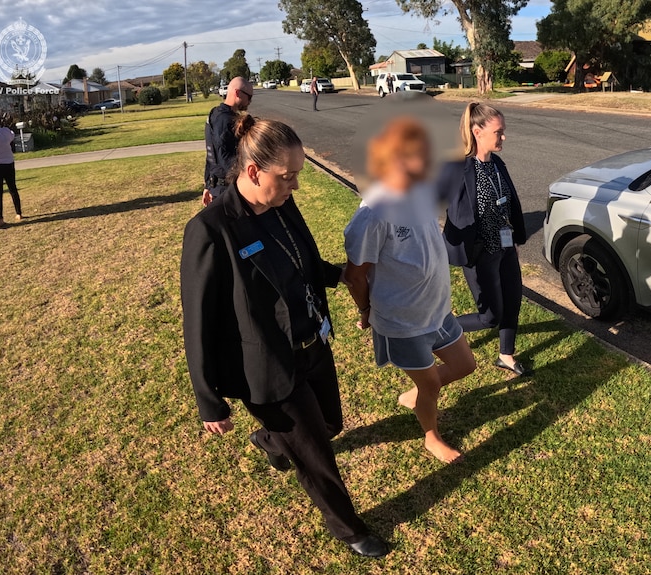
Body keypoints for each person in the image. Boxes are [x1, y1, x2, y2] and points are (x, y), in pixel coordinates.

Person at [181, 116, 389, 558]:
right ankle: (350, 530)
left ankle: (271, 441)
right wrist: (208, 399)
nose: (295, 185)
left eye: (298, 174)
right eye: (288, 176)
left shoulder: (282, 207)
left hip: (313, 342)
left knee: (330, 424)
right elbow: (197, 321)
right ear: (254, 172)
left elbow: (303, 264)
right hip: (268, 368)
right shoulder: (212, 229)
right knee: (317, 457)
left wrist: (344, 275)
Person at [344, 118, 476, 464]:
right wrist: (365, 310)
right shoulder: (373, 214)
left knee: (465, 365)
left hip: (437, 310)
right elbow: (355, 275)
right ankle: (431, 436)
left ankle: (418, 394)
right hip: (403, 320)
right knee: (431, 384)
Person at [439, 102, 530, 376]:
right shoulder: (458, 168)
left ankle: (506, 355)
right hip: (479, 254)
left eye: (503, 132)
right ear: (477, 131)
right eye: (498, 132)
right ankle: (444, 329)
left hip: (504, 247)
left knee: (513, 302)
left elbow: (509, 203)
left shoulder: (497, 164)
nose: (503, 137)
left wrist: (513, 236)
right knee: (491, 316)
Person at [202, 76, 253, 207]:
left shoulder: (214, 114)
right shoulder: (226, 121)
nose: (249, 102)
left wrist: (208, 185)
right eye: (249, 97)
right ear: (238, 93)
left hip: (217, 187)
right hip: (227, 191)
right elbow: (225, 157)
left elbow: (210, 155)